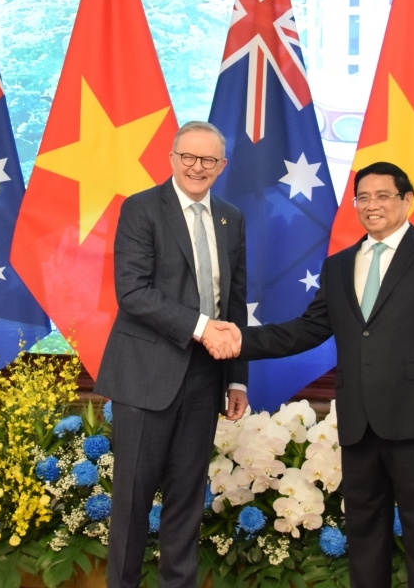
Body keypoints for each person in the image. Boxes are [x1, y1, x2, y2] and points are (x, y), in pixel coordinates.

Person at [214, 161, 414, 587]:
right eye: (363, 197)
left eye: (383, 196)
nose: (372, 205)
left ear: (407, 200)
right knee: (365, 538)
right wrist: (239, 339)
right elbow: (308, 329)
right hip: (358, 426)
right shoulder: (338, 266)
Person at [94, 120, 248, 588]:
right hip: (145, 378)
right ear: (171, 158)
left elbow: (234, 303)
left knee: (186, 503)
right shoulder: (141, 209)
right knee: (132, 504)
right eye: (188, 157)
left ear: (221, 167)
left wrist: (236, 378)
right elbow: (133, 293)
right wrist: (202, 329)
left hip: (205, 381)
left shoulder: (232, 218)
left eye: (207, 160)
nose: (196, 167)